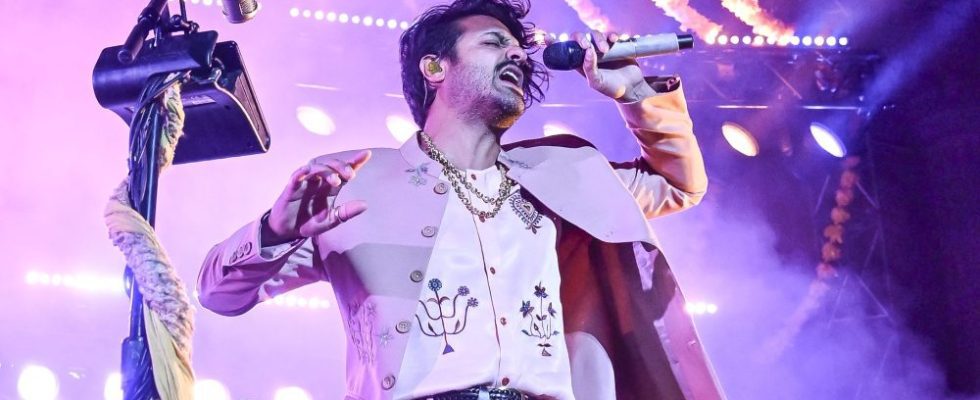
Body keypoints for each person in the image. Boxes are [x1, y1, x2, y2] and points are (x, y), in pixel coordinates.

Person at [197, 0, 725, 399]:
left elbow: (679, 185)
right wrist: (274, 232)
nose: (517, 53)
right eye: (494, 42)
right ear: (434, 68)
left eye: (518, 47)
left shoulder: (565, 175)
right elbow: (218, 294)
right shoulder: (355, 179)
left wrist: (633, 93)